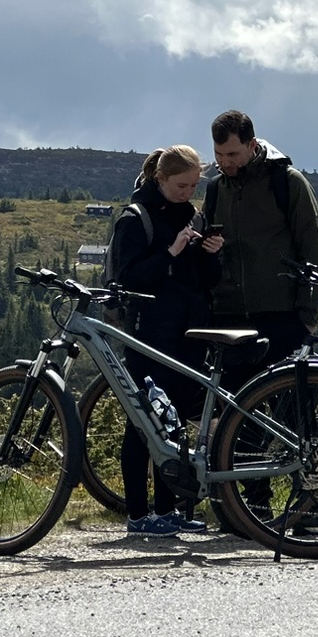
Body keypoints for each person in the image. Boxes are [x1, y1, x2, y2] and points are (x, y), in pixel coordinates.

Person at [200, 109, 318, 533]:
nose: (226, 162)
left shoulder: (287, 183)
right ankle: (251, 509)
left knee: (296, 416)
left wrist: (309, 316)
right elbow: (208, 242)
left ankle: (310, 508)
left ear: (252, 145)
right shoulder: (217, 188)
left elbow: (313, 246)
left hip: (283, 316)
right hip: (233, 319)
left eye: (233, 153)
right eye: (220, 154)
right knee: (240, 418)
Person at [109, 144, 222, 536]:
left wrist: (210, 253)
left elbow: (206, 281)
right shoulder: (135, 219)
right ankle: (139, 515)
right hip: (149, 336)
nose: (188, 193)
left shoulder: (193, 216)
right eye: (180, 186)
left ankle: (169, 510)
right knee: (143, 425)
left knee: (173, 426)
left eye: (193, 186)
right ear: (160, 179)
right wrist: (171, 252)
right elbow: (128, 280)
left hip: (188, 336)